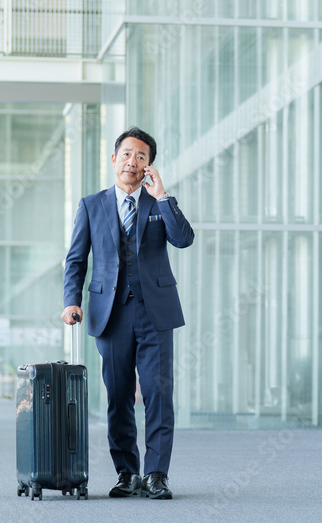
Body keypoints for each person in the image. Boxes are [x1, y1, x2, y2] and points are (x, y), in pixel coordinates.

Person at [61, 127, 194, 500]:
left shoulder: (159, 203)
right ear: (114, 159)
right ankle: (126, 472)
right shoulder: (91, 205)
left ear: (149, 165)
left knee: (157, 394)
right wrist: (71, 300)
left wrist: (163, 196)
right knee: (118, 397)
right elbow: (75, 259)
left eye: (141, 156)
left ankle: (156, 474)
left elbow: (184, 239)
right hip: (111, 314)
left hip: (156, 314)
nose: (132, 162)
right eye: (126, 154)